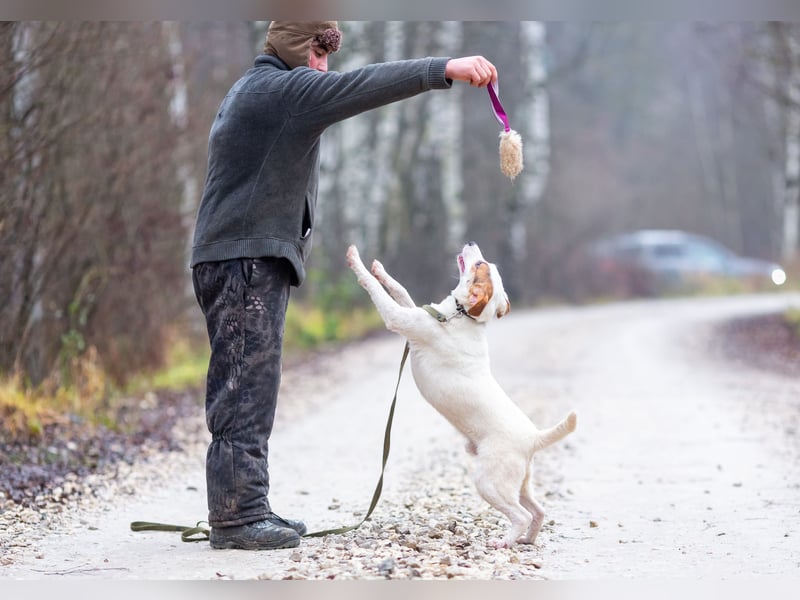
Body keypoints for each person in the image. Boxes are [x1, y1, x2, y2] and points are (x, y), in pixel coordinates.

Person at [190, 21, 498, 551]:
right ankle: (238, 518)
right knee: (244, 390)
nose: (324, 64)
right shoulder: (281, 90)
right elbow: (364, 86)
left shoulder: (260, 86)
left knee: (249, 388)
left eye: (330, 51)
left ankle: (246, 505)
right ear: (294, 45)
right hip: (244, 261)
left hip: (242, 258)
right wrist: (442, 69)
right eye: (319, 48)